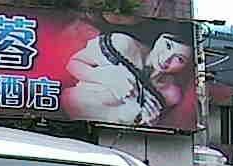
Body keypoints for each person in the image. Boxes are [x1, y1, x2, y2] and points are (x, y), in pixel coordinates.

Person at [61, 29, 193, 126]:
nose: (166, 59)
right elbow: (73, 64)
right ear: (160, 38)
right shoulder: (123, 45)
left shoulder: (171, 94)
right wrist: (106, 76)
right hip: (62, 111)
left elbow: (144, 129)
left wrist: (147, 122)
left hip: (105, 137)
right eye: (168, 46)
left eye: (179, 59)